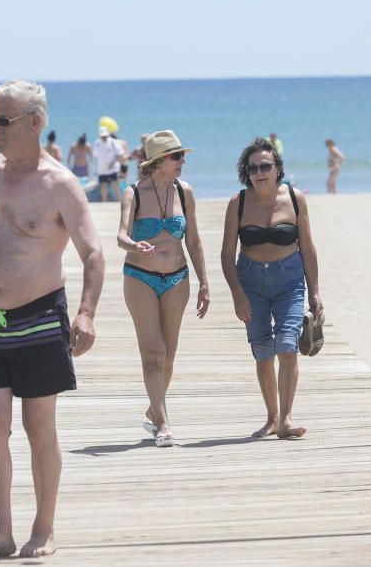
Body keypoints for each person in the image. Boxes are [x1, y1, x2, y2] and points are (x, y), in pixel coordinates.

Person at [0, 80, 104, 559]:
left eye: (4, 120)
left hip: (37, 317)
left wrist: (87, 313)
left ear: (34, 123)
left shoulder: (60, 185)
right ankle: (0, 531)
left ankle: (44, 528)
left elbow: (93, 253)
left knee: (38, 426)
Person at [220, 137, 322, 440]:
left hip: (289, 279)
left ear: (277, 168)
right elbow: (227, 254)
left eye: (266, 166)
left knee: (288, 347)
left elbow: (308, 247)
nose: (259, 172)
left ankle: (286, 419)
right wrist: (237, 294)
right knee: (263, 351)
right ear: (246, 173)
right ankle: (271, 417)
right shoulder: (237, 204)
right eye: (253, 168)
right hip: (250, 280)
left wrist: (314, 291)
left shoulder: (294, 198)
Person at [116, 130, 210, 447]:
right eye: (176, 156)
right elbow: (120, 237)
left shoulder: (185, 192)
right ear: (158, 161)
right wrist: (134, 245)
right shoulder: (133, 193)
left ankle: (152, 410)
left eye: (182, 155)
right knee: (152, 353)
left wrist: (204, 283)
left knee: (168, 356)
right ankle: (163, 423)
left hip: (177, 279)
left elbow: (194, 242)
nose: (182, 161)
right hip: (140, 277)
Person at [94, 126, 122, 202]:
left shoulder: (113, 142)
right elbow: (96, 155)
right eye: (102, 136)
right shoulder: (97, 142)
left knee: (115, 186)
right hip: (101, 169)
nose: (104, 138)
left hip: (113, 169)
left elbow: (120, 154)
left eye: (105, 136)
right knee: (102, 186)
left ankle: (120, 201)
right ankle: (104, 202)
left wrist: (112, 163)